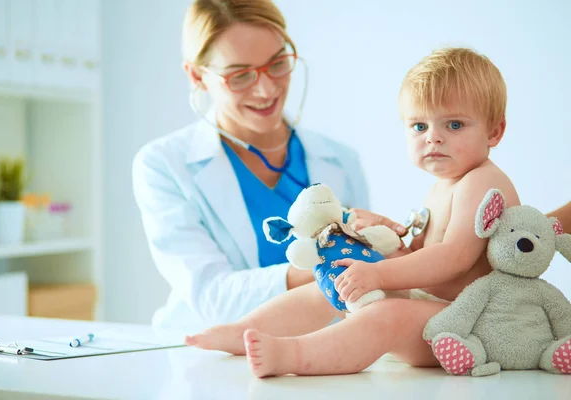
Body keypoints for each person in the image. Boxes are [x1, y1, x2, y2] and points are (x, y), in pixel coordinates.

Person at [185, 47, 522, 377]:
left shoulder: (482, 182)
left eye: (454, 125)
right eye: (419, 126)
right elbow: (423, 257)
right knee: (329, 285)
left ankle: (292, 355)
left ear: (494, 131)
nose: (433, 138)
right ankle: (241, 331)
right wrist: (388, 244)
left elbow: (454, 259)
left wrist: (377, 274)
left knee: (386, 315)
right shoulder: (443, 185)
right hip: (437, 305)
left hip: (473, 323)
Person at [132, 0, 405, 334]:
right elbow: (213, 297)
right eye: (240, 75)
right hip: (209, 357)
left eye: (277, 64)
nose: (266, 89)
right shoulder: (163, 165)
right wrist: (343, 254)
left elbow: (361, 293)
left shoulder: (341, 160)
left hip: (324, 351)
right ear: (197, 76)